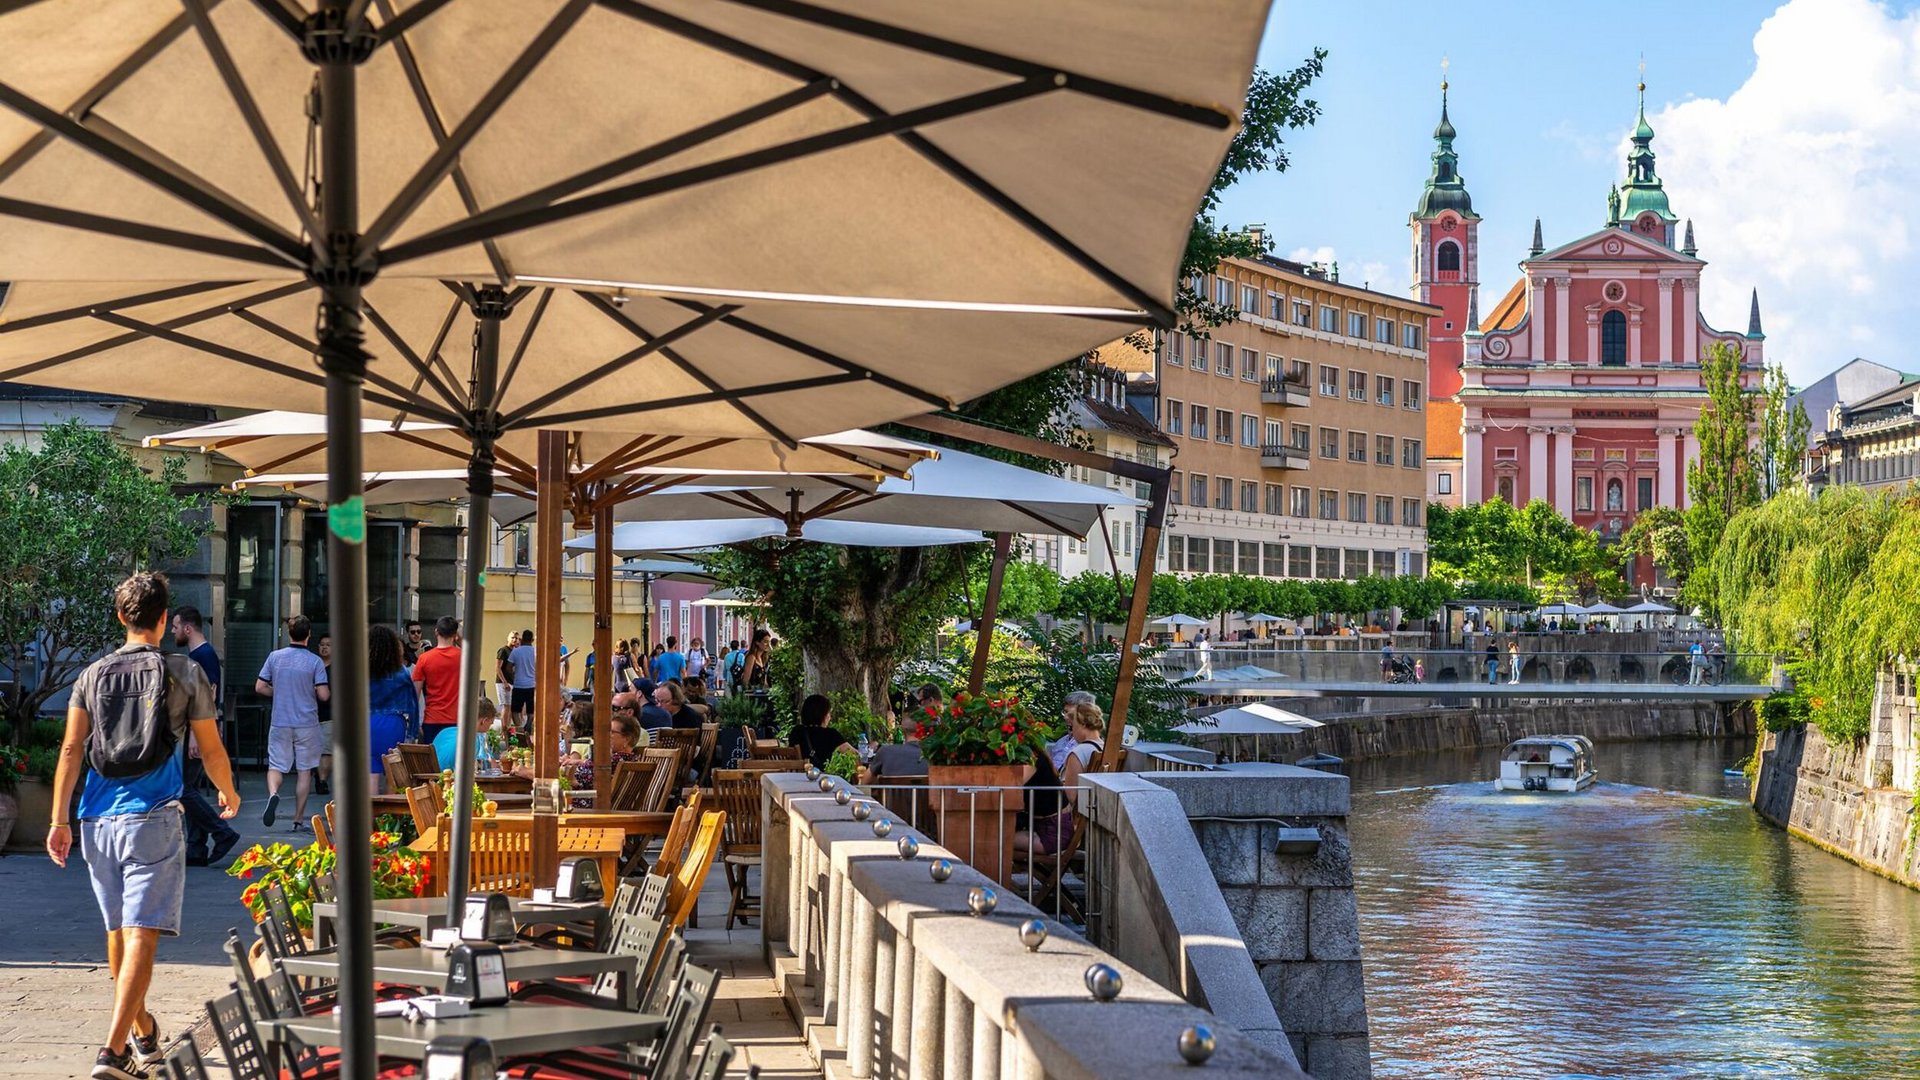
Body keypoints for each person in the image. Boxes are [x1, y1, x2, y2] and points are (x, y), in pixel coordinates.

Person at [48, 572, 239, 1080]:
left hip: (94, 819)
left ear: (120, 617)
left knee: (118, 930)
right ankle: (112, 1052)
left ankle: (144, 1032)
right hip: (151, 816)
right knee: (142, 934)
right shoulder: (183, 672)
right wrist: (228, 789)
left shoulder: (91, 675)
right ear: (162, 619)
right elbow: (211, 747)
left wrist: (57, 818)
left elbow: (70, 749)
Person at [168, 607, 239, 868]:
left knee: (182, 788)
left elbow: (207, 695)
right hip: (197, 729)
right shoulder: (202, 655)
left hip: (197, 730)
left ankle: (222, 833)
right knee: (190, 787)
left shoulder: (202, 656)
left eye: (175, 626)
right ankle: (196, 848)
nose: (172, 631)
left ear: (188, 628)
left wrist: (198, 736)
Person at [256, 615, 330, 832]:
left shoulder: (275, 657)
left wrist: (277, 692)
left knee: (276, 765)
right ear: (309, 635)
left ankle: (273, 794)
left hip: (281, 721)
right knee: (305, 771)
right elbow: (324, 695)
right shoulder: (315, 661)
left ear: (289, 633)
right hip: (307, 723)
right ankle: (298, 819)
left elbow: (259, 687)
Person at [1014, 697, 1104, 859]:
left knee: (992, 837)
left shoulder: (1077, 753)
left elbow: (1070, 795)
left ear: (1083, 725)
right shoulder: (1102, 747)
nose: (1071, 731)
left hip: (1054, 831)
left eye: (1073, 726)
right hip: (1069, 825)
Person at [366, 624, 418, 794]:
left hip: (366, 722)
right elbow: (412, 704)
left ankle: (369, 816)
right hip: (393, 723)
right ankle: (389, 816)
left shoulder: (361, 670)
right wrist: (413, 733)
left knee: (371, 773)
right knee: (392, 772)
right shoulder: (401, 672)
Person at [412, 616, 463, 745]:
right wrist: (461, 642)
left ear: (436, 632)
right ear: (455, 635)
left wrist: (414, 723)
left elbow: (414, 695)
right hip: (457, 719)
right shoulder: (464, 657)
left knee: (432, 762)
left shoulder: (424, 659)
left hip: (432, 719)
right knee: (454, 762)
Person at [434, 698, 498, 772]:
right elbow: (492, 766)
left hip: (431, 779)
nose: (489, 727)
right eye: (491, 723)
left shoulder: (445, 732)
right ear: (484, 721)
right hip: (453, 780)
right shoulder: (472, 738)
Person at [791, 693, 849, 770]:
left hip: (796, 778)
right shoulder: (831, 734)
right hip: (819, 778)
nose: (830, 717)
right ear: (823, 714)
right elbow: (854, 754)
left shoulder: (796, 731)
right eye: (828, 713)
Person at [860, 720, 926, 784]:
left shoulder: (885, 751)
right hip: (927, 795)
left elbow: (864, 782)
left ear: (903, 730)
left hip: (891, 795)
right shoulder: (933, 755)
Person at [1046, 689, 1096, 770]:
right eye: (1065, 712)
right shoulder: (1063, 740)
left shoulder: (1085, 747)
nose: (1065, 717)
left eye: (1071, 714)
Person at [507, 628, 539, 729]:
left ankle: (519, 727)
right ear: (532, 640)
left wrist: (513, 676)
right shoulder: (536, 652)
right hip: (531, 684)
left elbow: (508, 667)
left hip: (518, 684)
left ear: (522, 639)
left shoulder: (516, 651)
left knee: (515, 710)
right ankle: (529, 723)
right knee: (530, 709)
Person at [495, 630, 520, 713]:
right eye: (512, 638)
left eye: (516, 638)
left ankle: (508, 725)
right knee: (506, 707)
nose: (515, 640)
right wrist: (504, 682)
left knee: (511, 707)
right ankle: (504, 726)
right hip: (503, 682)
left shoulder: (514, 651)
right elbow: (498, 668)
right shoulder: (503, 651)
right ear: (508, 638)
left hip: (512, 682)